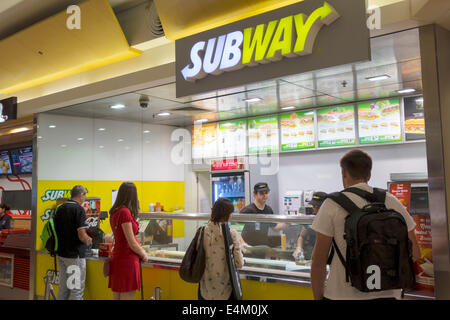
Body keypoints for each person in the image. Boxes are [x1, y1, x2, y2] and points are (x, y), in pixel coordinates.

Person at [310, 149, 421, 300]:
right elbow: (415, 253)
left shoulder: (331, 204)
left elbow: (319, 261)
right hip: (388, 294)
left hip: (342, 295)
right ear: (369, 175)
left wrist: (318, 297)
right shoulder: (391, 201)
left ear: (343, 172)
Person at [108, 182, 148, 300]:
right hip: (127, 259)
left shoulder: (116, 211)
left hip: (118, 257)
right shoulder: (125, 212)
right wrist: (143, 253)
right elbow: (131, 241)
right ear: (133, 195)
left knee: (117, 297)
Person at [199, 198, 244, 300]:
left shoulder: (202, 231)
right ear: (226, 215)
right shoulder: (231, 234)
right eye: (230, 213)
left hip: (205, 289)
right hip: (225, 291)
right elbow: (239, 263)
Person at [53, 185, 92, 300]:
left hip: (61, 253)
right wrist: (89, 240)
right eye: (85, 196)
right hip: (74, 256)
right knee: (76, 290)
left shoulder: (60, 208)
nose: (84, 199)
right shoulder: (78, 210)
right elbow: (82, 236)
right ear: (81, 195)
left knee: (63, 288)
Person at [240, 183, 285, 250]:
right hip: (248, 249)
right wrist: (243, 244)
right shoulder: (248, 210)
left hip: (262, 248)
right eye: (261, 193)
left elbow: (275, 227)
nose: (264, 195)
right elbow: (234, 229)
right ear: (254, 194)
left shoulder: (268, 210)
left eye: (266, 193)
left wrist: (288, 222)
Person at [293, 192, 327, 261]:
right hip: (310, 252)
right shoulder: (310, 218)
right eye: (314, 206)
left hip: (325, 253)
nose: (315, 209)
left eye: (318, 207)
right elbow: (301, 236)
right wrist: (299, 248)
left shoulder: (329, 219)